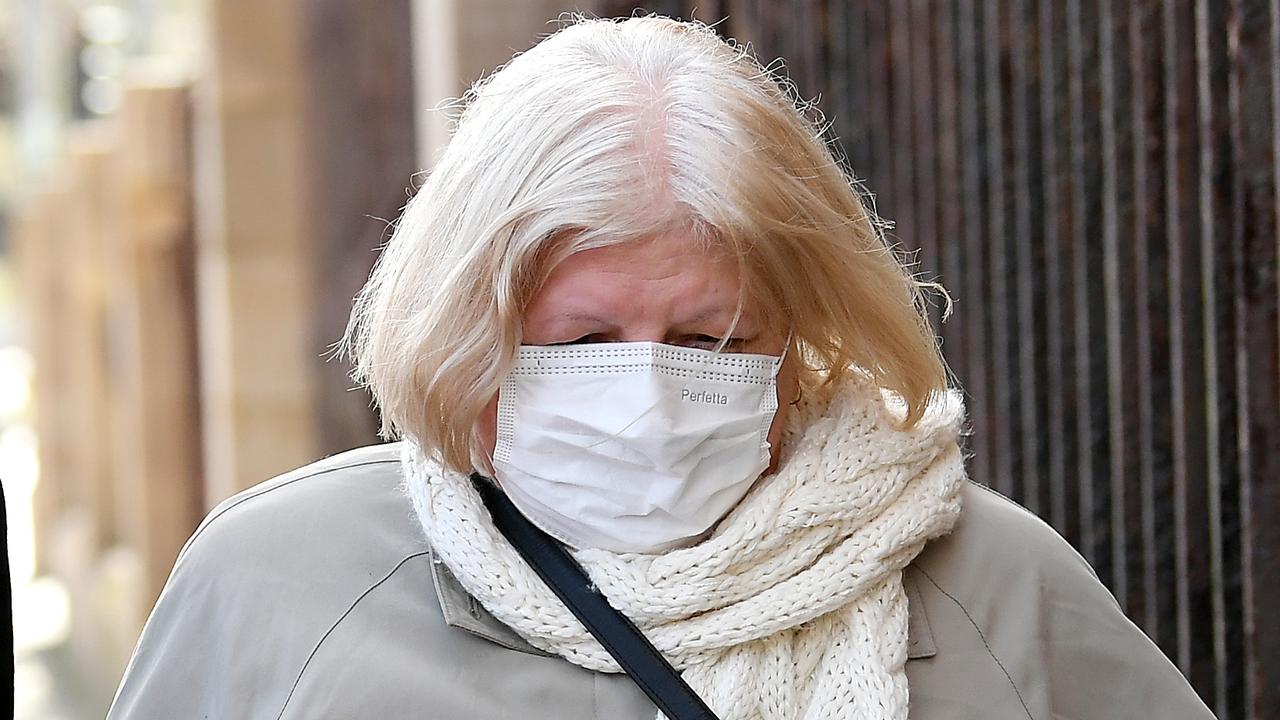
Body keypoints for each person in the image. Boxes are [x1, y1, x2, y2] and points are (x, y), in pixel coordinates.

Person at [107, 15, 1215, 720]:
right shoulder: (282, 589)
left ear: (795, 340)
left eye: (708, 341)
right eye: (585, 341)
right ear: (464, 335)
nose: (643, 396)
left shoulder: (994, 589)